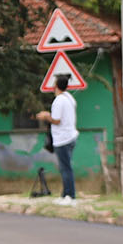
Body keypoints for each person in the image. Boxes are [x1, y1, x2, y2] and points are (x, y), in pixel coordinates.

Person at [33, 76, 79, 205]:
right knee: (65, 167)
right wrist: (49, 115)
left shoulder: (58, 100)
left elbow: (57, 120)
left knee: (65, 168)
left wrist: (46, 116)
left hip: (62, 139)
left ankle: (70, 196)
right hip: (71, 136)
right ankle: (65, 194)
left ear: (56, 86)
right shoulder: (69, 98)